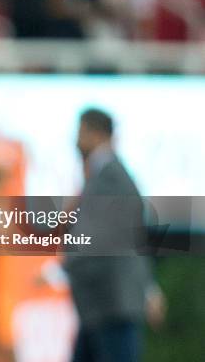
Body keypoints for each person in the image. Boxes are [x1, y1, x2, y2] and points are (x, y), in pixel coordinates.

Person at [64, 108, 165, 362]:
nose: (76, 140)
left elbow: (99, 239)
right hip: (104, 304)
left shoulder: (109, 177)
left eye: (80, 132)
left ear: (96, 134)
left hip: (111, 302)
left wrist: (65, 267)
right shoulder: (102, 175)